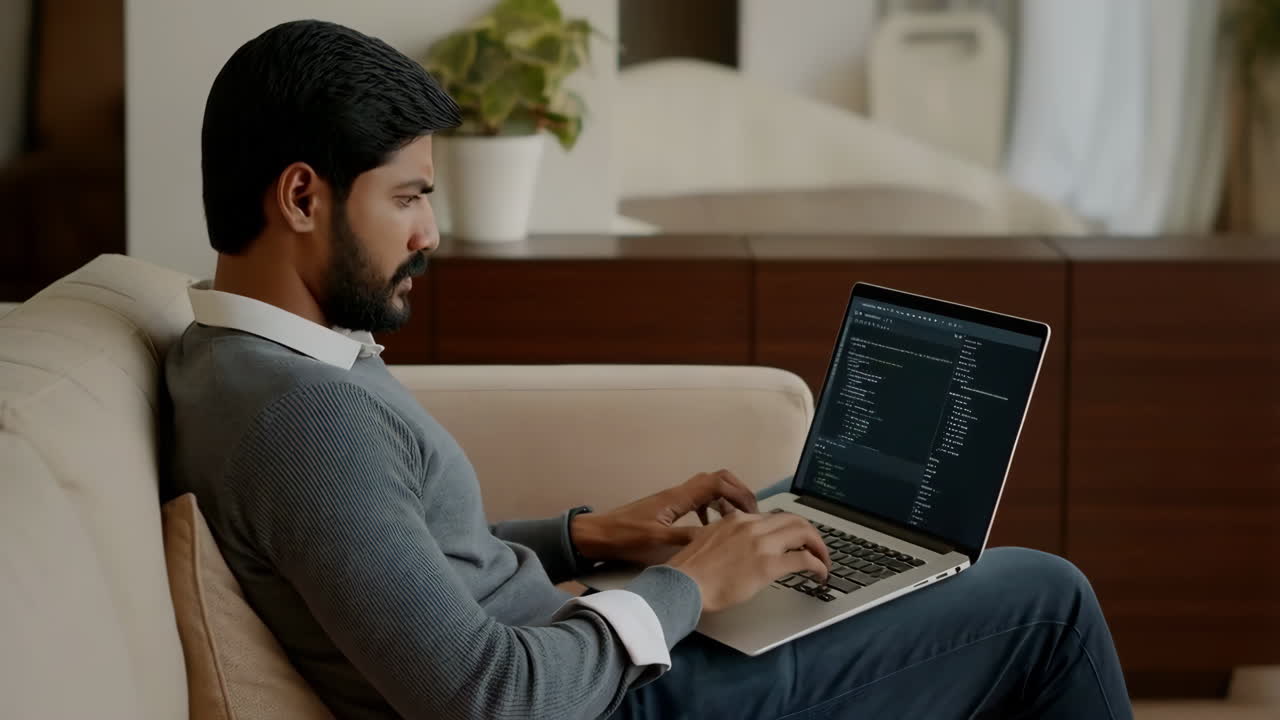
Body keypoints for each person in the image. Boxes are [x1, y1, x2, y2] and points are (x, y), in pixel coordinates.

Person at [166, 19, 1134, 720]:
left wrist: (588, 535)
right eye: (409, 197)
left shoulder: (231, 360)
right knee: (1041, 599)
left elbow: (394, 555)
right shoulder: (301, 418)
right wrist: (686, 590)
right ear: (301, 196)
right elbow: (490, 698)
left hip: (593, 644)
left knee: (810, 535)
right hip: (624, 697)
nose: (428, 232)